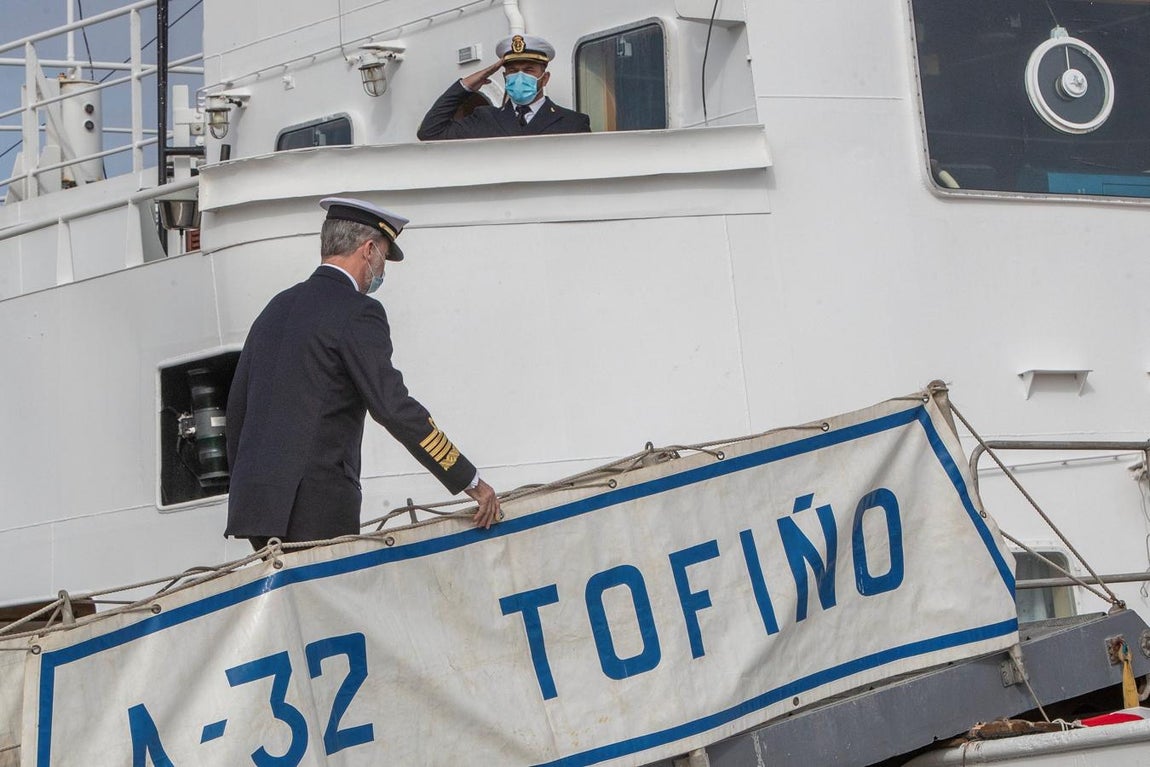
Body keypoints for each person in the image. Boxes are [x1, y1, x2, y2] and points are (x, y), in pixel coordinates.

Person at [224, 197, 501, 549]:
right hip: (318, 505)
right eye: (384, 256)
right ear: (369, 250)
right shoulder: (358, 312)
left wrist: (248, 488)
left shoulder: (275, 308)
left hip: (258, 510)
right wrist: (469, 479)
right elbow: (392, 407)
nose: (382, 270)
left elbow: (238, 409)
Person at [417, 34, 591, 141]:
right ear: (505, 78)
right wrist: (466, 85)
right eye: (513, 71)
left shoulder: (573, 122)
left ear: (544, 78)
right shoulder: (484, 118)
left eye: (529, 70)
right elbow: (430, 132)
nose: (519, 76)